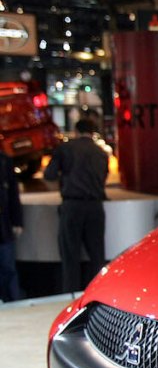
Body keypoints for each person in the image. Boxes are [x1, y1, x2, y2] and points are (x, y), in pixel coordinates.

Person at [44, 118, 108, 293]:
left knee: (70, 256)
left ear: (76, 131)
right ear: (93, 133)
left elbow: (49, 174)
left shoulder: (65, 149)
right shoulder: (101, 153)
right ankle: (97, 294)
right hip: (95, 207)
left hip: (72, 205)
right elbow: (103, 177)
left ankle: (70, 295)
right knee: (97, 255)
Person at [0, 149, 22, 301]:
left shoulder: (4, 160)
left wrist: (17, 221)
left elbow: (13, 193)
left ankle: (12, 301)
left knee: (8, 267)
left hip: (4, 224)